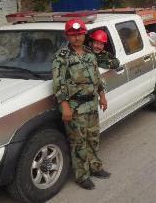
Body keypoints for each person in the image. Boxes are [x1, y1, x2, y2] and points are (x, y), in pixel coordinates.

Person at [52, 18, 110, 190]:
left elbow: (96, 78)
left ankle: (95, 167)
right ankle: (81, 176)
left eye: (79, 34)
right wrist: (65, 106)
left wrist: (102, 96)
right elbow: (58, 83)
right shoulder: (61, 58)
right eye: (73, 34)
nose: (77, 38)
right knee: (78, 142)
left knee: (93, 138)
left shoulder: (90, 53)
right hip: (75, 107)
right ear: (67, 36)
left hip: (92, 104)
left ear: (84, 34)